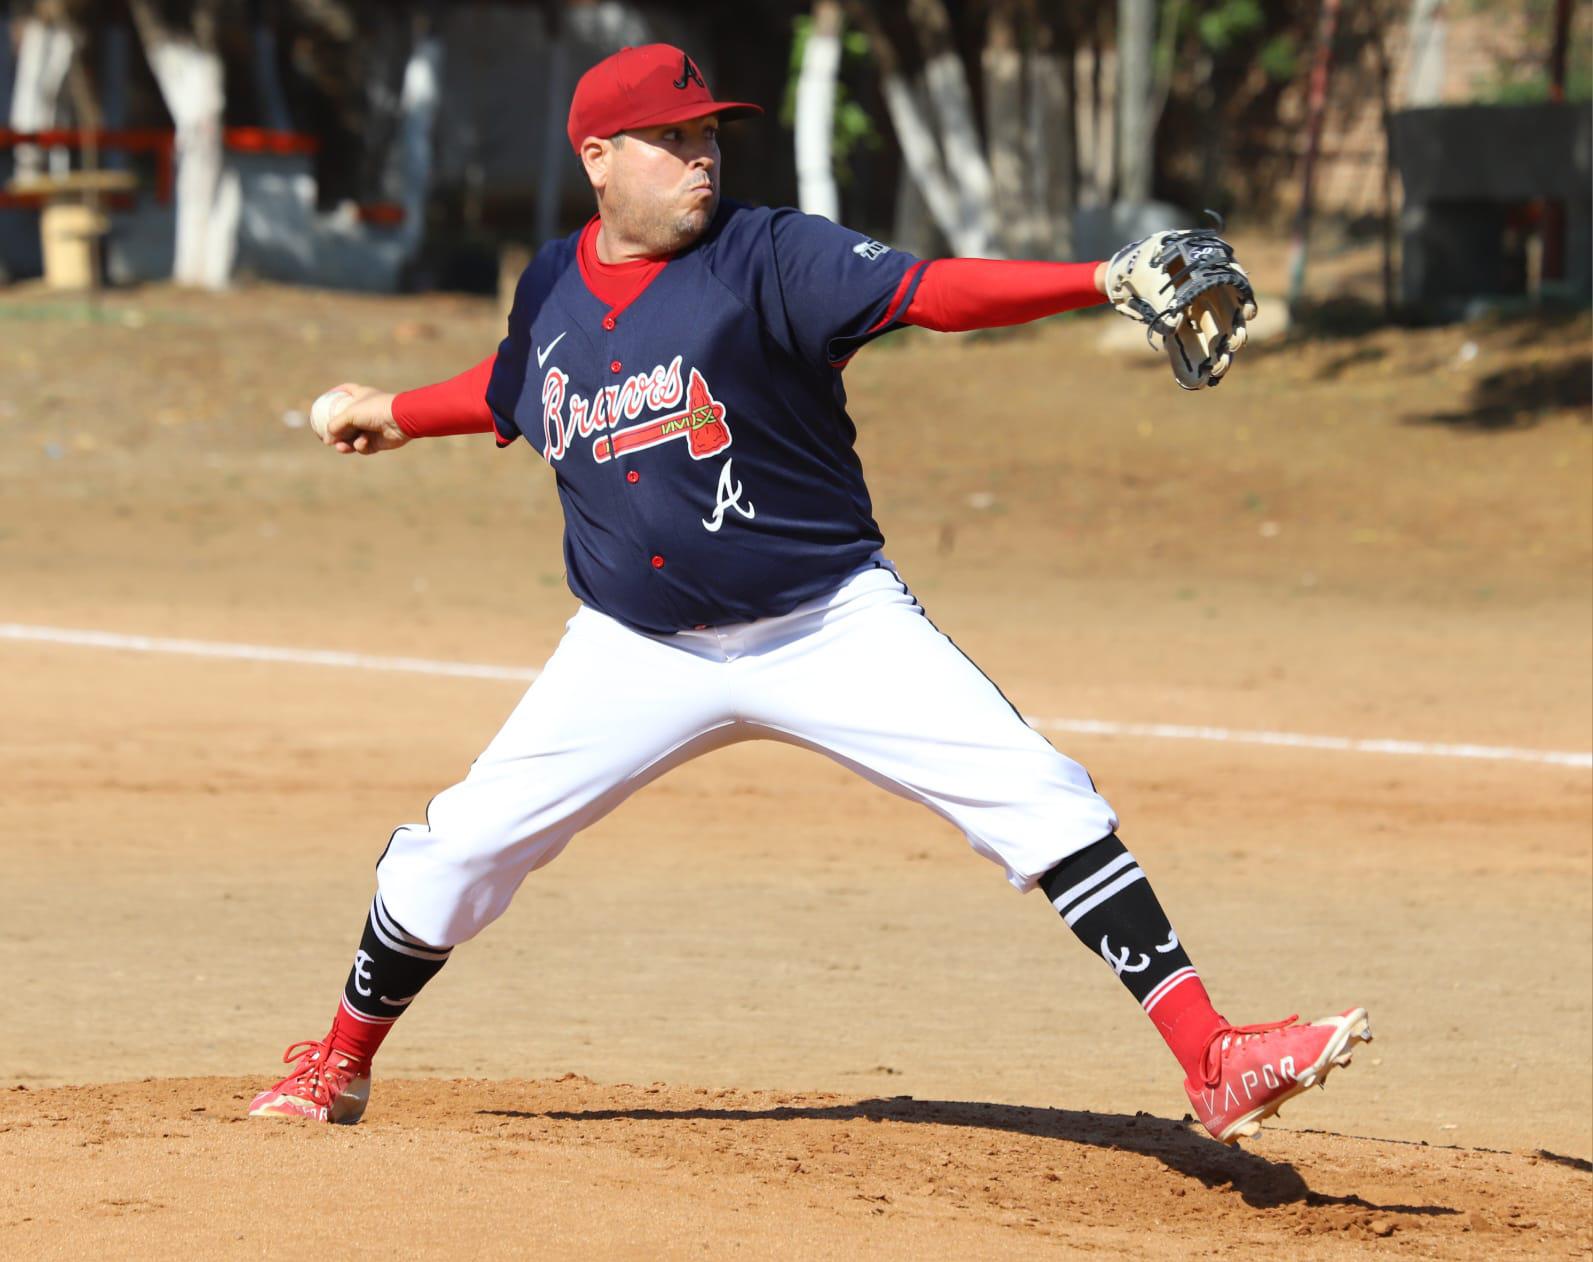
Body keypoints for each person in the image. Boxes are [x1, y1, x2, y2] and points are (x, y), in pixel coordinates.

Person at [250, 44, 1370, 1144]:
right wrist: (393, 408)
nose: (702, 157)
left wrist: (1095, 278)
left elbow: (935, 292)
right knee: (463, 845)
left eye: (708, 134)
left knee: (1037, 791)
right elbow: (510, 391)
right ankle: (339, 1059)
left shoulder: (772, 255)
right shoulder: (550, 281)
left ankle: (1212, 1055)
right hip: (636, 647)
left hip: (826, 621)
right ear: (597, 156)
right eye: (671, 137)